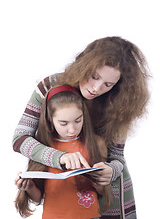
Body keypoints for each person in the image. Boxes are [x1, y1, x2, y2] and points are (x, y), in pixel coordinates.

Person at [13, 36, 150, 218]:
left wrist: (111, 170)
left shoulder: (119, 102)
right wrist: (59, 158)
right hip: (64, 201)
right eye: (94, 77)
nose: (96, 88)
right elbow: (20, 139)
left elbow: (117, 157)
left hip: (112, 197)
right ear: (84, 65)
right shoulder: (49, 87)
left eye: (108, 84)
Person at [15, 85, 112, 219]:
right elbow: (38, 198)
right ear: (50, 119)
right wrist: (29, 186)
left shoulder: (95, 143)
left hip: (89, 216)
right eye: (63, 123)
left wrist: (98, 180)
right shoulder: (42, 148)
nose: (72, 129)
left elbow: (103, 192)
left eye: (78, 120)